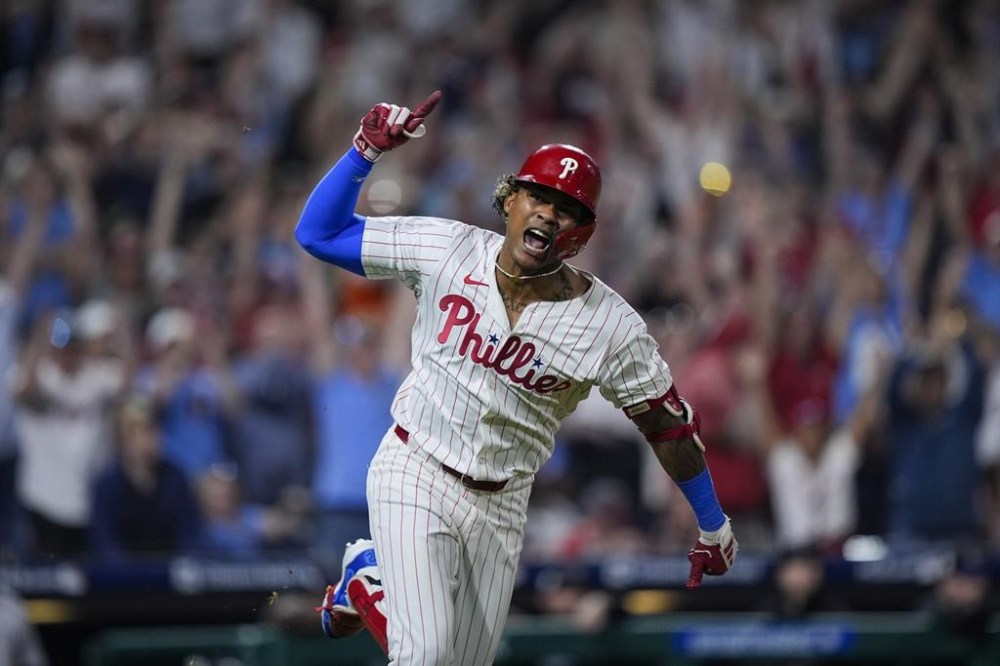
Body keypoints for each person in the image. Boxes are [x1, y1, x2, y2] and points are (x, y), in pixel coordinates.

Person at [295, 91, 738, 664]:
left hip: (502, 504)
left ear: (582, 231)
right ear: (510, 200)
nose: (549, 213)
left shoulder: (611, 326)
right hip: (416, 467)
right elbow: (318, 235)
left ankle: (367, 582)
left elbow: (669, 428)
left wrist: (711, 523)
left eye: (568, 208)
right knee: (423, 658)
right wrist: (364, 152)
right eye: (539, 196)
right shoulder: (446, 249)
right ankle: (366, 576)